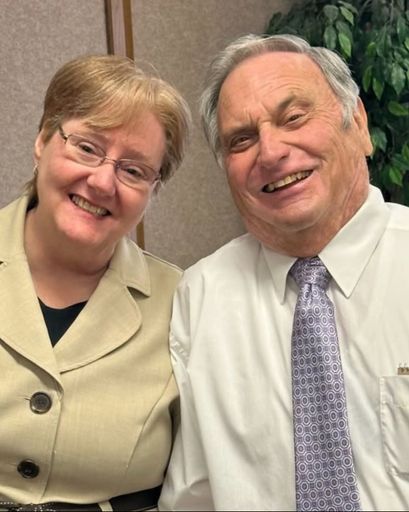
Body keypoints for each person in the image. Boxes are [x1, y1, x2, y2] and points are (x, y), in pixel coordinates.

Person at [159, 34, 409, 511]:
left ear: (358, 123)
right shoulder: (201, 296)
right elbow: (192, 497)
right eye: (241, 140)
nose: (270, 152)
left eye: (293, 118)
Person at [0, 54, 190, 511]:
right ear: (43, 140)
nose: (103, 182)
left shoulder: (183, 303)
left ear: (152, 190)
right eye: (86, 148)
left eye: (134, 170)